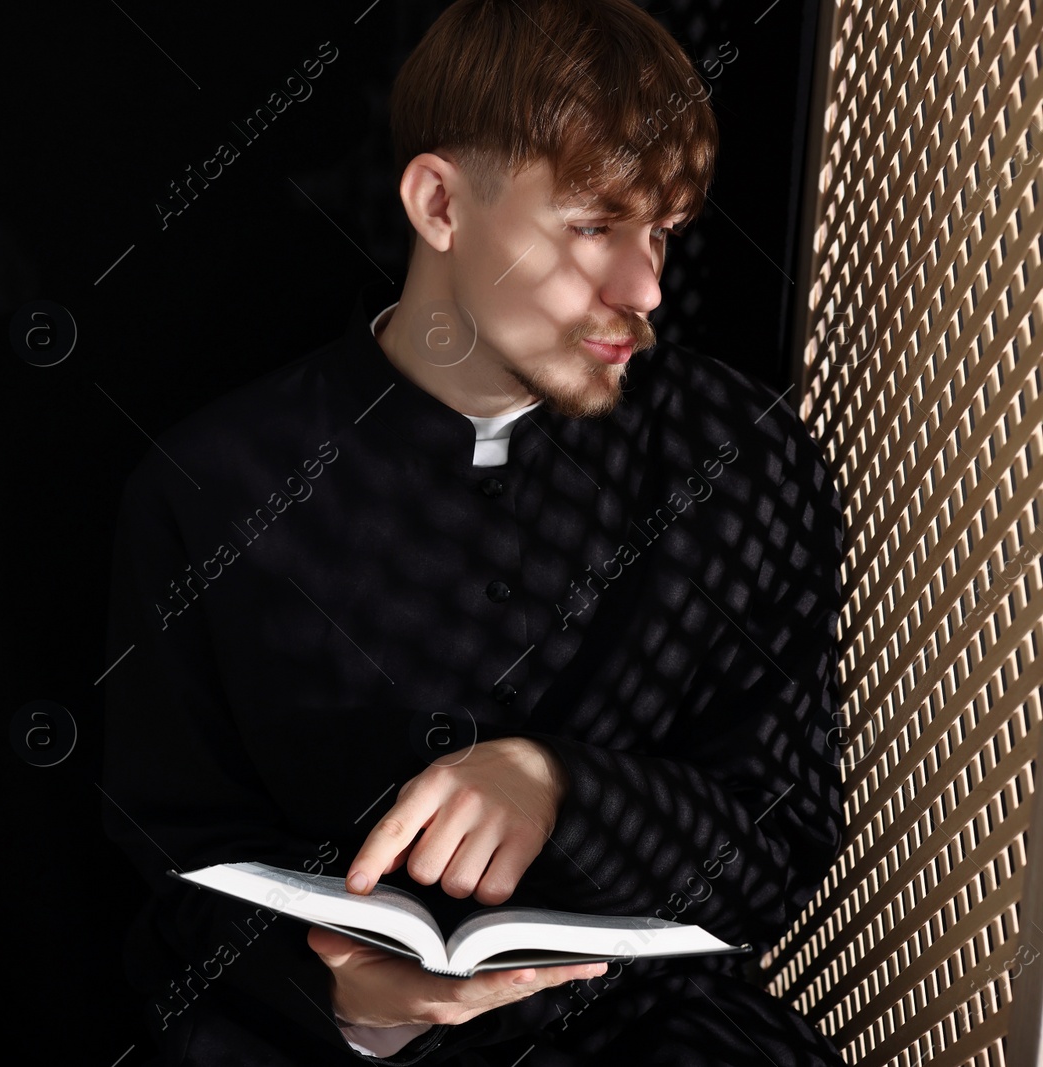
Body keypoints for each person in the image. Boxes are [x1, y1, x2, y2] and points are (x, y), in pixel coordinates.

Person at [101, 1, 849, 1062]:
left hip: (654, 1034)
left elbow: (774, 858)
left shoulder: (747, 458)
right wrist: (352, 1005)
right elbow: (171, 863)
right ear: (440, 203)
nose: (644, 288)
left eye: (664, 232)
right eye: (593, 225)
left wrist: (560, 789)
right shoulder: (210, 484)